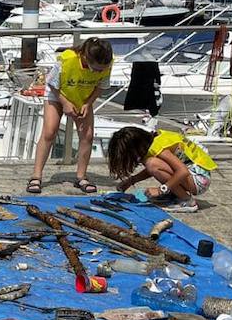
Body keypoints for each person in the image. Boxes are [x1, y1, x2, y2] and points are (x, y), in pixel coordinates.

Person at [27, 37, 114, 195]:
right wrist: (65, 103)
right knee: (49, 131)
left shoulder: (106, 63)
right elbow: (52, 83)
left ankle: (81, 176)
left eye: (102, 69)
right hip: (57, 93)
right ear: (85, 57)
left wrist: (88, 103)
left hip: (83, 96)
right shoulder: (67, 60)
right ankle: (36, 176)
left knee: (87, 135)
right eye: (96, 69)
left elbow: (101, 85)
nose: (99, 72)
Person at [107, 126, 217, 214]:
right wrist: (131, 181)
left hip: (199, 181)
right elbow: (158, 168)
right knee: (151, 164)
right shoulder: (156, 140)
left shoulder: (160, 148)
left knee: (151, 163)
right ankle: (175, 194)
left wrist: (161, 190)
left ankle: (187, 201)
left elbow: (183, 171)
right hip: (195, 176)